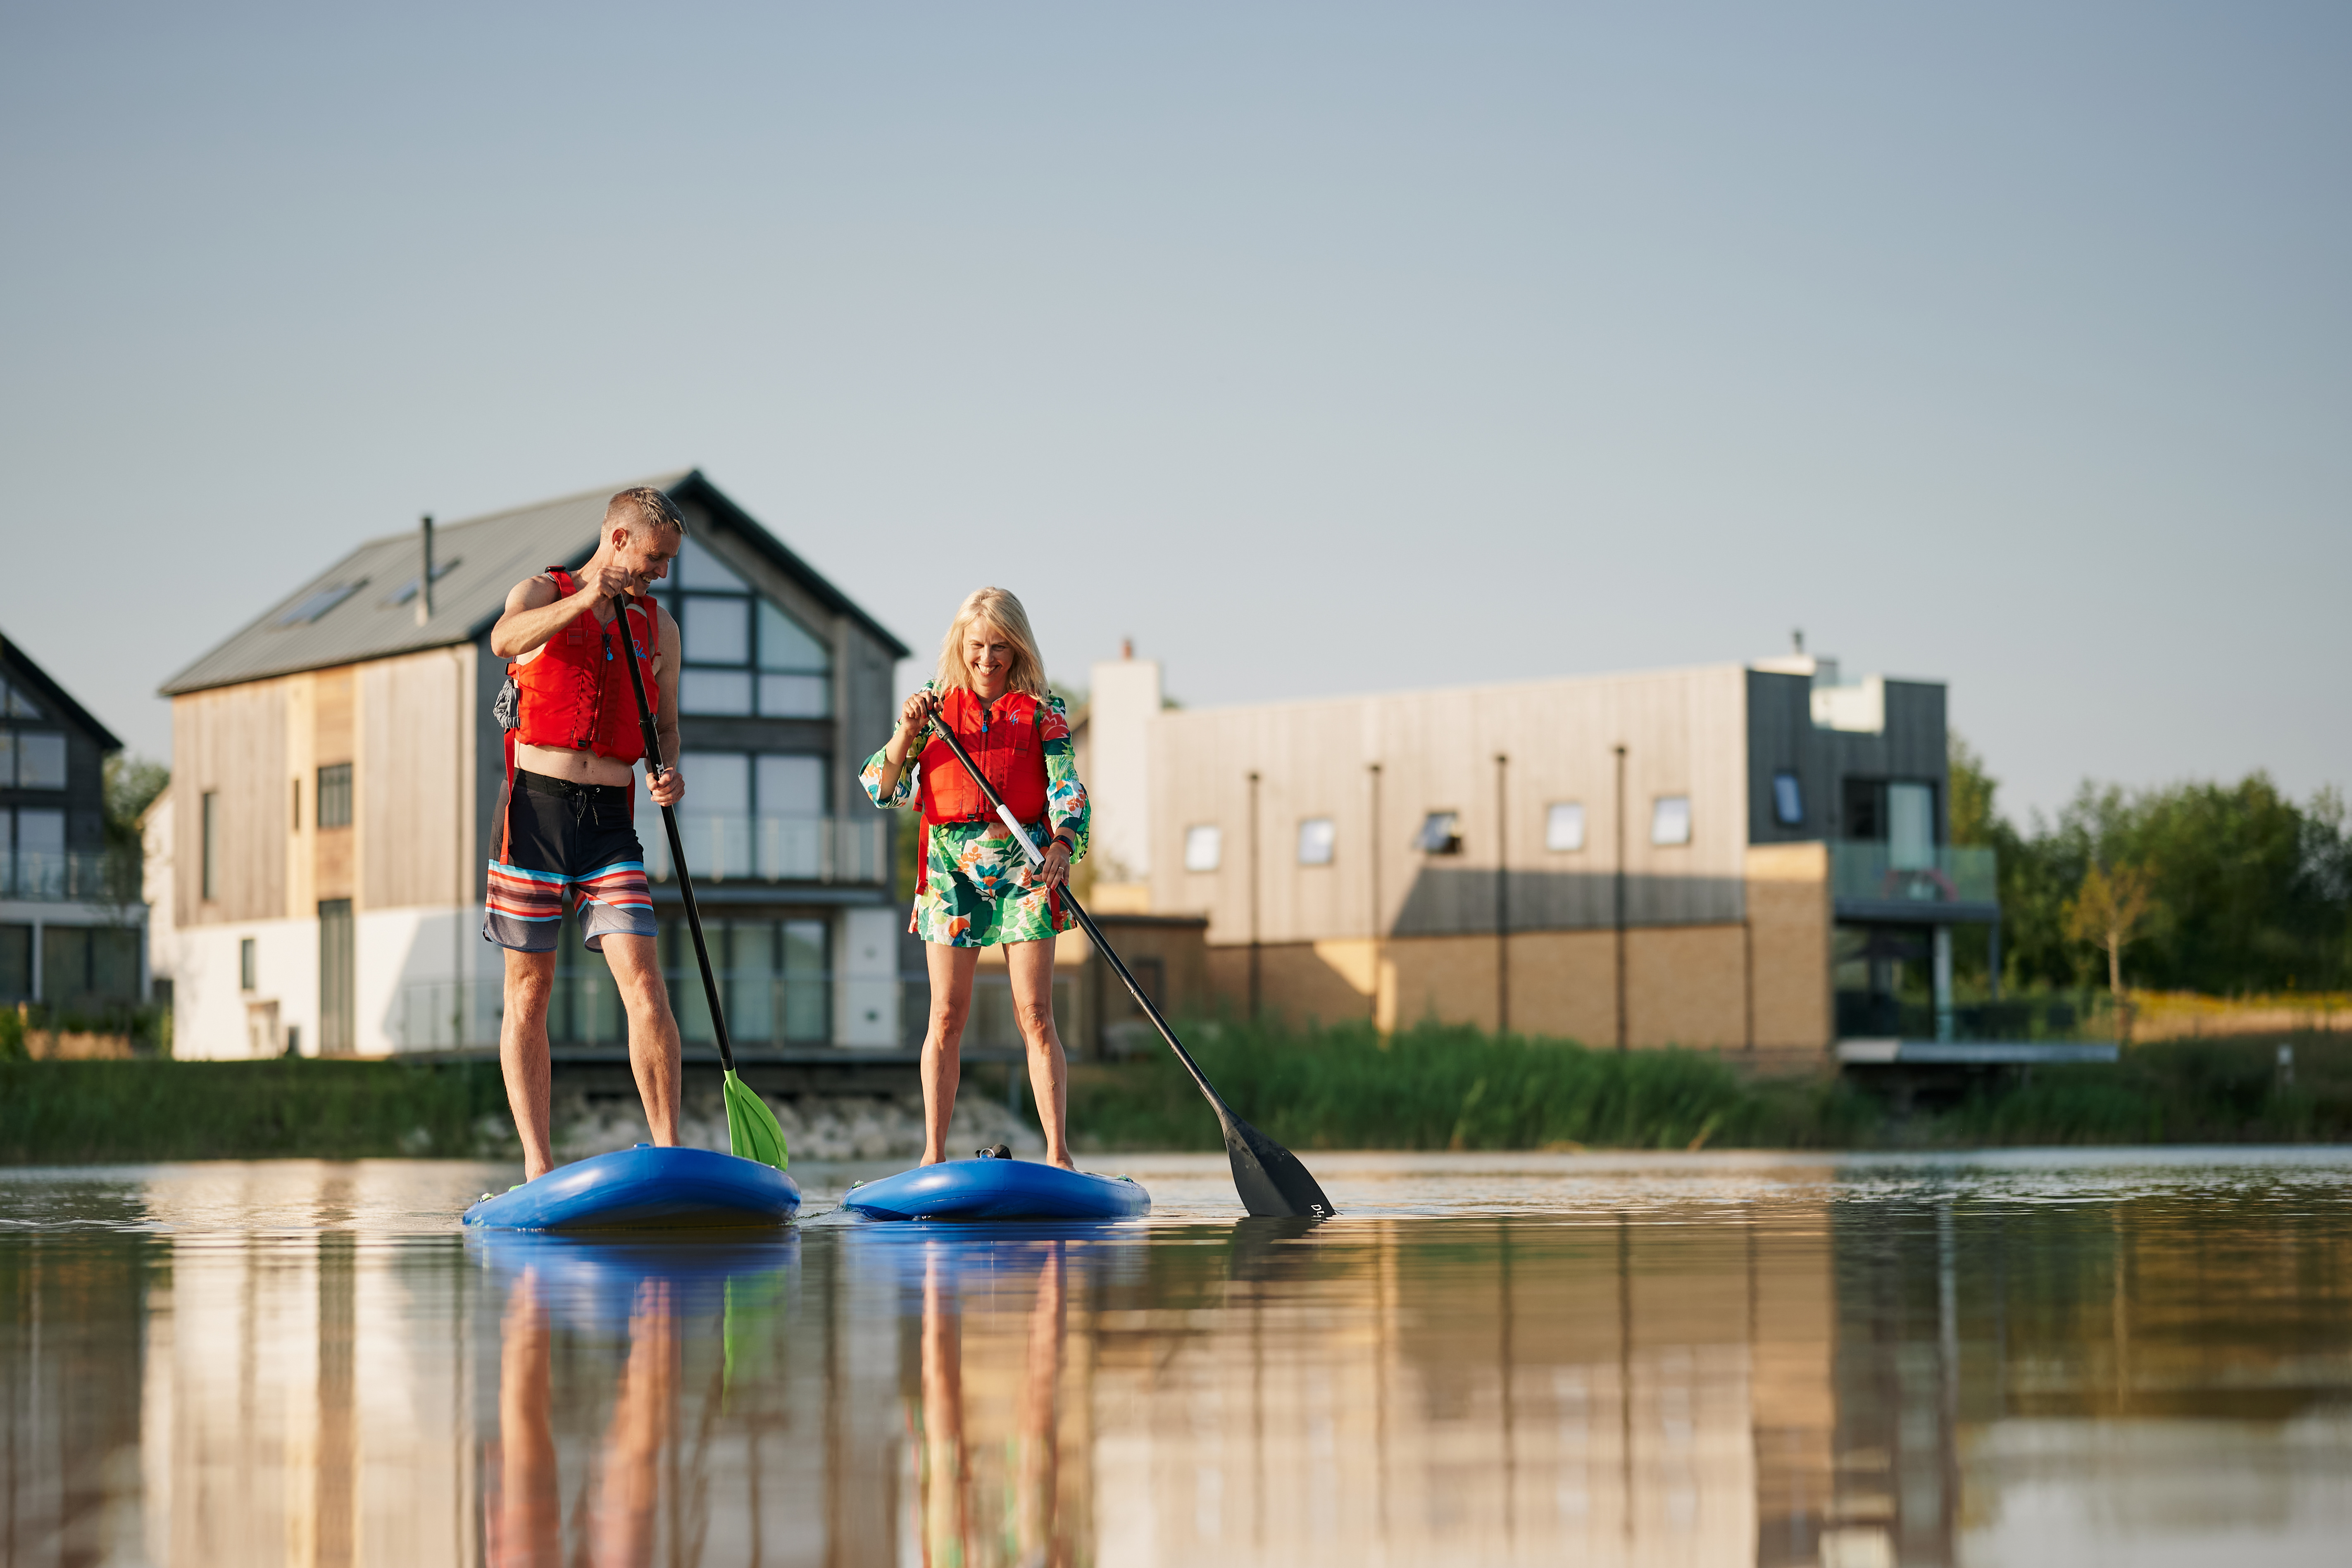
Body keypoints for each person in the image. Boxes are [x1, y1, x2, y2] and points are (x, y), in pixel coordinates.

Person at [483, 486, 688, 1181]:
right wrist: (585, 602)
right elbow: (503, 640)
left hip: (611, 821)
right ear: (620, 539)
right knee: (529, 991)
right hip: (534, 812)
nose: (662, 572)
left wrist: (670, 773)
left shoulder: (659, 629)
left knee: (644, 981)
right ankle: (539, 1169)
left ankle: (669, 1154)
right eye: (656, 558)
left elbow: (665, 727)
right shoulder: (542, 589)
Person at [862, 588, 1090, 1168]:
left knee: (1036, 1015)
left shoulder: (1044, 713)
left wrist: (1063, 844)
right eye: (977, 647)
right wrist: (906, 733)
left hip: (1028, 868)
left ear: (1016, 651)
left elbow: (1068, 794)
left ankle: (1059, 1154)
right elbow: (882, 789)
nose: (987, 660)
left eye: (999, 648)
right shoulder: (932, 710)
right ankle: (933, 1155)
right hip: (949, 872)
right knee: (946, 1014)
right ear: (961, 649)